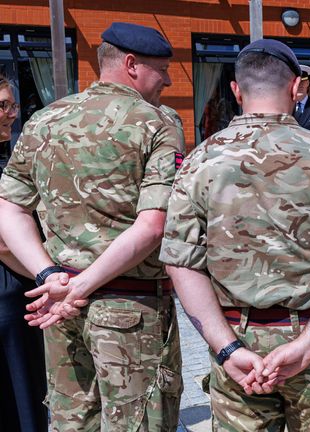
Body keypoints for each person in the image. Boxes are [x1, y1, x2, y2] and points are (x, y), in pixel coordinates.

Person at [160, 38, 310, 431]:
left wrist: (227, 349)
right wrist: (308, 343)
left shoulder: (199, 162)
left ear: (235, 89)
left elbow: (180, 262)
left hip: (237, 343)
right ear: (297, 88)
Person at [0, 22, 184, 431]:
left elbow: (8, 209)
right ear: (132, 65)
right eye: (163, 69)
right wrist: (77, 286)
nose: (169, 81)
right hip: (131, 309)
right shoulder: (156, 124)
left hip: (60, 307)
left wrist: (50, 275)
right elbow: (153, 226)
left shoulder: (44, 120)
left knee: (72, 422)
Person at [0, 75, 48, 432]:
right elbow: (3, 242)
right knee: (20, 405)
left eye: (12, 105)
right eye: (2, 105)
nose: (11, 114)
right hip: (7, 304)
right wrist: (48, 275)